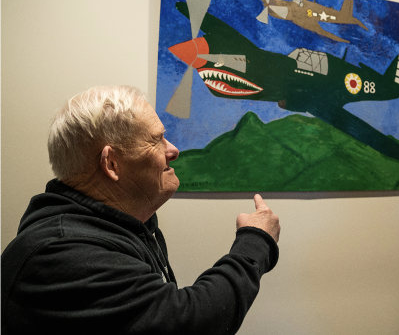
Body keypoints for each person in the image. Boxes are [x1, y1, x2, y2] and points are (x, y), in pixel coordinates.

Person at [0, 86, 280, 335]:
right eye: (156, 140)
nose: (173, 150)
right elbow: (190, 322)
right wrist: (255, 241)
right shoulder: (64, 253)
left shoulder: (122, 226)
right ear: (111, 164)